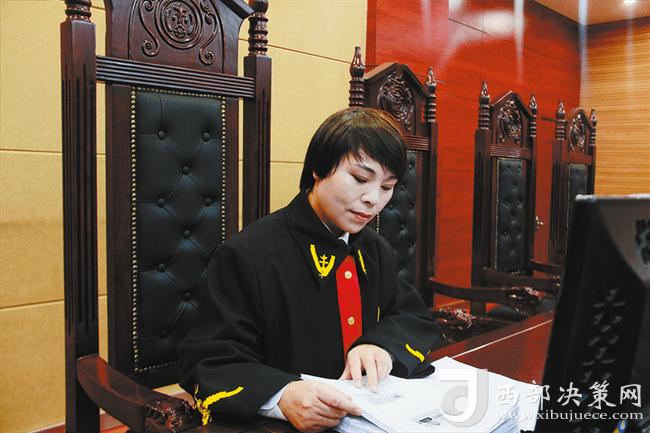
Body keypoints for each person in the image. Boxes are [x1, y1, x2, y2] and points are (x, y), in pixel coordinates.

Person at [178, 107, 438, 432]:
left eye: (388, 187)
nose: (373, 199)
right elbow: (208, 362)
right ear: (318, 168)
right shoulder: (247, 256)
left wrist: (380, 346)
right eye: (360, 179)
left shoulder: (375, 250)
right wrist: (281, 395)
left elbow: (411, 316)